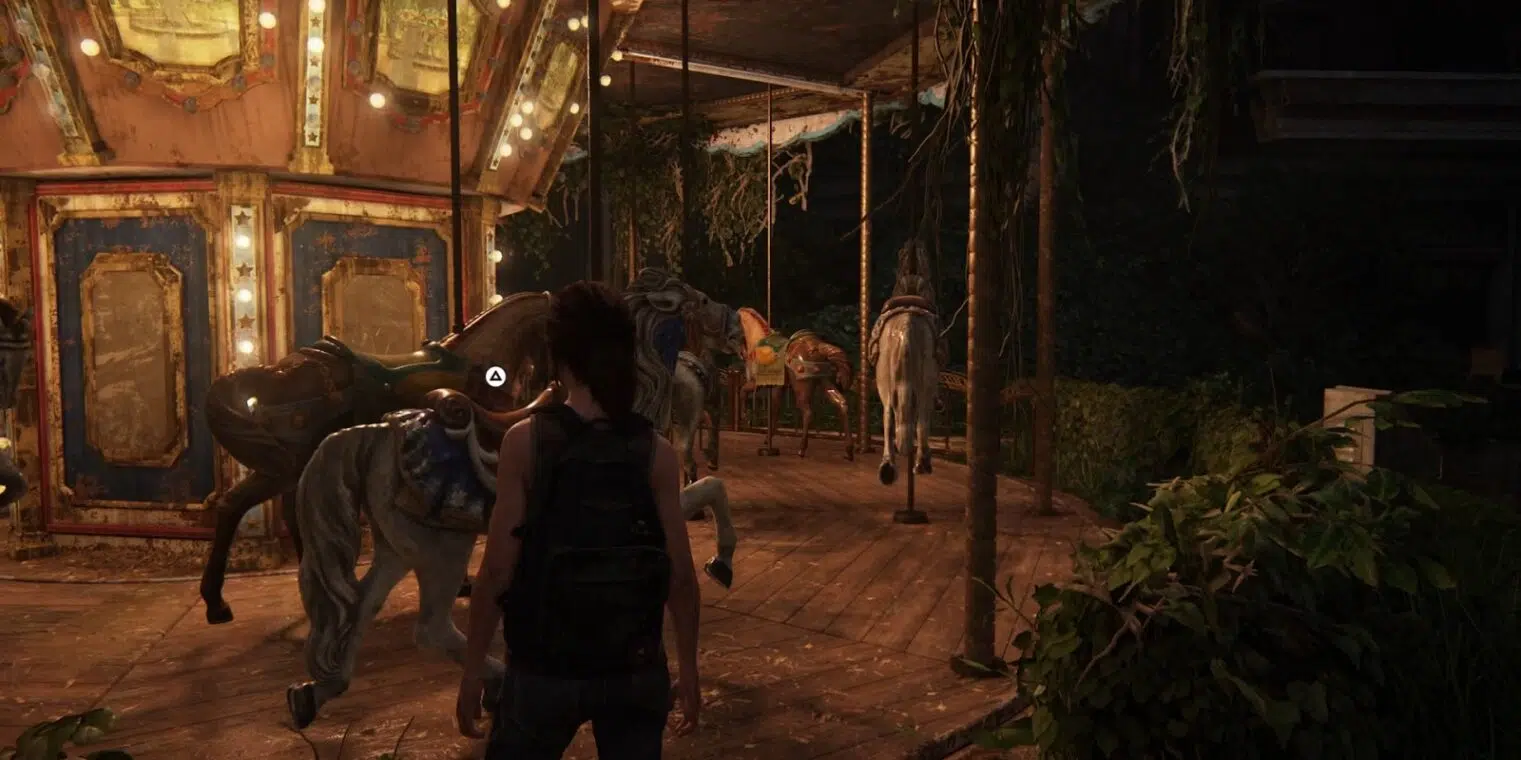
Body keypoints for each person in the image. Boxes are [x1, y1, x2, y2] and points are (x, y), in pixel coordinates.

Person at [456, 280, 703, 759]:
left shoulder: (526, 443)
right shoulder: (656, 452)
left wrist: (472, 670)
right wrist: (689, 670)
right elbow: (680, 576)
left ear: (560, 356)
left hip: (544, 668)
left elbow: (498, 571)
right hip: (633, 666)